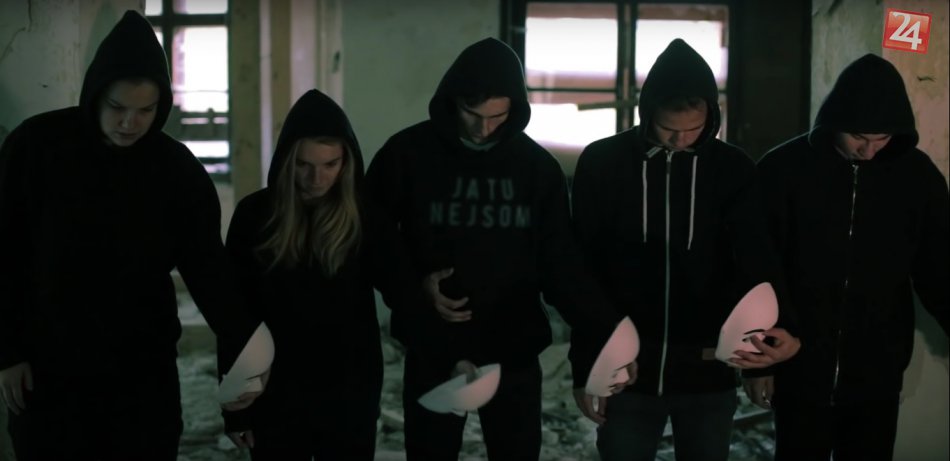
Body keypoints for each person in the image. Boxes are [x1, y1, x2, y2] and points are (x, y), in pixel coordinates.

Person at [0, 10, 261, 460]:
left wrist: (247, 363)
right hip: (50, 368)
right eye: (118, 108)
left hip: (141, 371)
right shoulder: (35, 148)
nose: (130, 123)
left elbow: (210, 275)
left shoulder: (176, 170)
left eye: (145, 111)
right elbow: (5, 252)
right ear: (95, 95)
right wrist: (7, 351)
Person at [364, 37, 618, 460]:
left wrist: (606, 334)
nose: (483, 129)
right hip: (433, 344)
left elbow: (561, 265)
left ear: (514, 110)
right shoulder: (406, 154)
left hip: (512, 349)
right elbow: (373, 241)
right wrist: (414, 290)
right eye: (473, 114)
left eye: (497, 117)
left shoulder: (537, 169)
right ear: (452, 101)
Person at [570, 38, 800, 461]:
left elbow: (756, 264)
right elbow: (581, 270)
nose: (680, 140)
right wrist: (586, 364)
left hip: (708, 369)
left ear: (711, 117)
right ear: (646, 114)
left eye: (693, 130)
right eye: (667, 129)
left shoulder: (732, 169)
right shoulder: (604, 162)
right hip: (625, 369)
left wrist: (762, 360)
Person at [748, 53, 949, 461]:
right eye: (859, 137)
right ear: (834, 122)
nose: (869, 151)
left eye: (883, 139)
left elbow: (938, 267)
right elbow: (757, 269)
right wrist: (758, 363)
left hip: (878, 372)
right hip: (797, 365)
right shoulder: (782, 170)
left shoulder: (918, 177)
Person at [221, 88, 396, 460]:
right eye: (304, 164)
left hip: (349, 392)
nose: (317, 178)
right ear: (287, 160)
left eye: (330, 164)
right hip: (275, 393)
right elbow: (234, 314)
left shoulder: (366, 219)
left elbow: (403, 289)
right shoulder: (255, 216)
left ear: (346, 162)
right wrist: (235, 407)